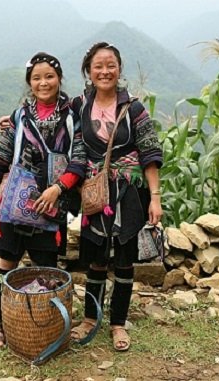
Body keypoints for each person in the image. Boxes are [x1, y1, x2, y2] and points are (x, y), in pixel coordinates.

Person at [0, 52, 86, 349]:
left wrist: (58, 189)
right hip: (14, 203)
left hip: (52, 205)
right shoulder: (19, 116)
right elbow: (1, 155)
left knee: (47, 267)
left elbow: (79, 161)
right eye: (36, 78)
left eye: (49, 76)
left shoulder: (72, 117)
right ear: (29, 83)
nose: (43, 82)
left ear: (59, 79)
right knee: (5, 264)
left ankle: (46, 323)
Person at [69, 42, 163, 351]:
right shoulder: (80, 104)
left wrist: (155, 198)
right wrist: (13, 121)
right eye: (98, 66)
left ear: (119, 69)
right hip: (95, 192)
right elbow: (46, 112)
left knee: (123, 261)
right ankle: (89, 319)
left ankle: (118, 323)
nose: (105, 71)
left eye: (110, 65)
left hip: (128, 193)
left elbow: (149, 154)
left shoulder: (134, 108)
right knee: (96, 258)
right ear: (89, 70)